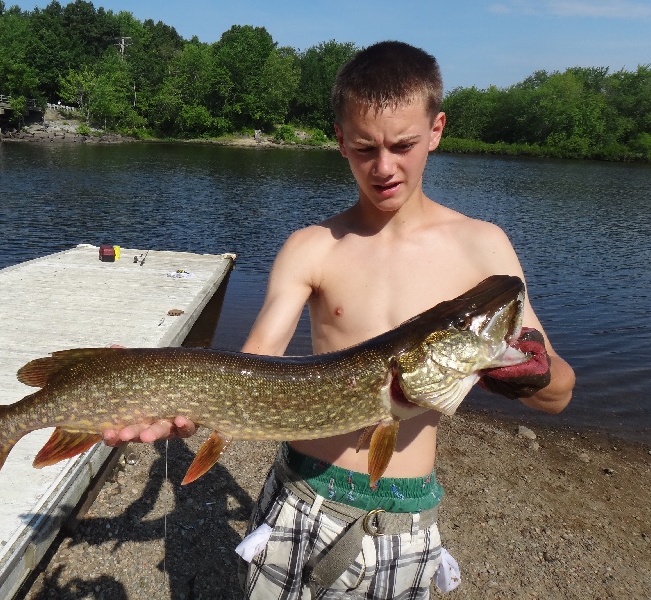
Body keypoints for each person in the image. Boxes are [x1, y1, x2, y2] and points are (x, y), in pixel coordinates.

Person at [103, 40, 575, 599]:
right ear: (340, 140)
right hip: (301, 503)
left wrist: (533, 375)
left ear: (437, 129)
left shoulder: (482, 249)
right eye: (364, 148)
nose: (384, 167)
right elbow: (255, 362)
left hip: (407, 521)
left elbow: (560, 394)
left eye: (403, 145)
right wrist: (193, 402)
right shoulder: (312, 248)